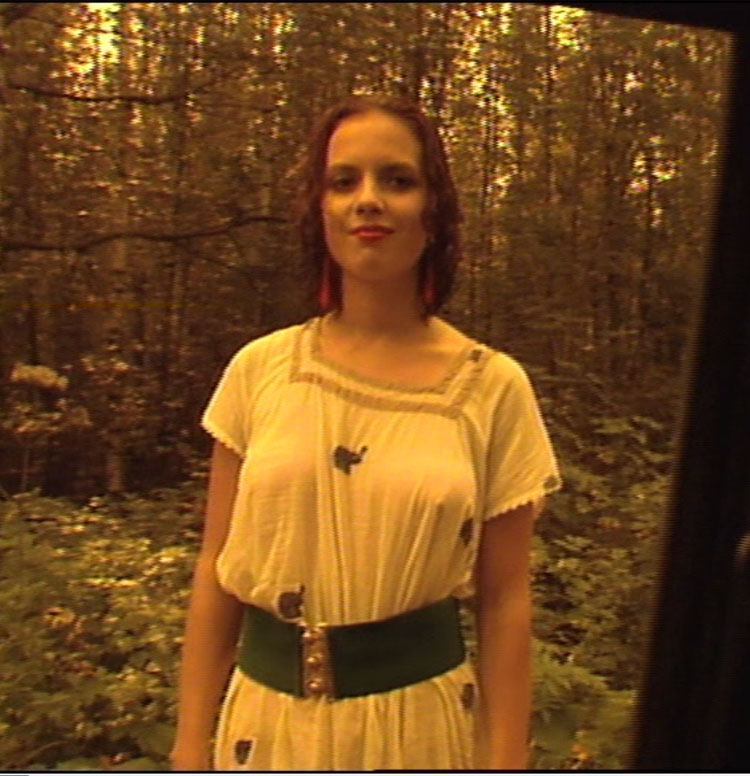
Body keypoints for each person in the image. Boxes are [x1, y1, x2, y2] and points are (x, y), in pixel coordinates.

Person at [169, 94, 562, 771]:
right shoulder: (262, 372)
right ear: (318, 208)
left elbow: (504, 602)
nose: (368, 200)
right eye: (344, 181)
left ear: (434, 209)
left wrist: (505, 760)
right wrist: (187, 747)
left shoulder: (491, 389)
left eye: (398, 180)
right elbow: (215, 570)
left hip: (418, 731)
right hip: (265, 731)